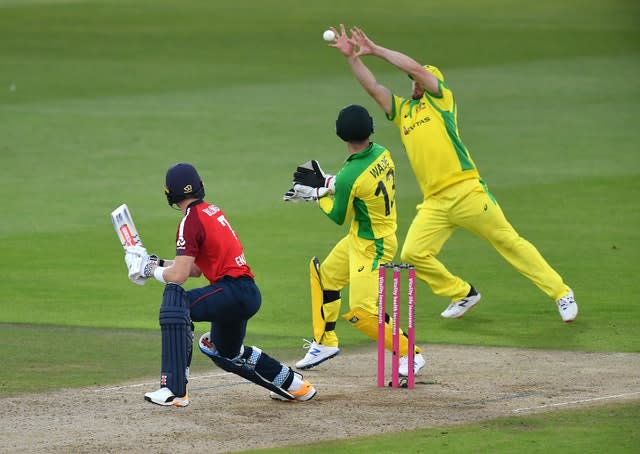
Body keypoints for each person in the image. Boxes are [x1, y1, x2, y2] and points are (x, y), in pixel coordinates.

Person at [326, 25, 578, 323]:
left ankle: (561, 293)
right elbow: (374, 88)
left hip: (467, 191)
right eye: (412, 81)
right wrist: (352, 58)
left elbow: (416, 69)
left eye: (418, 80)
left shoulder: (442, 102)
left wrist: (377, 49)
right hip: (434, 202)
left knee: (510, 243)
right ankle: (462, 292)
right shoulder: (403, 112)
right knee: (413, 253)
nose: (414, 84)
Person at [124, 162, 317, 407]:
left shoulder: (189, 221)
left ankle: (173, 390)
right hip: (244, 293)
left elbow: (179, 276)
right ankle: (296, 385)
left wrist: (148, 270)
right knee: (224, 351)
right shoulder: (210, 211)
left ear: (169, 193)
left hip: (232, 290)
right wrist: (155, 262)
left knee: (176, 301)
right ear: (200, 186)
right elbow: (194, 268)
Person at [284, 104, 426, 376]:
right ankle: (325, 342)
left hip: (374, 245)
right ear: (370, 128)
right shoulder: (383, 153)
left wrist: (316, 196)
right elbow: (357, 185)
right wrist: (327, 182)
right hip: (363, 237)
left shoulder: (351, 175)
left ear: (341, 134)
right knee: (325, 278)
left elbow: (339, 215)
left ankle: (410, 354)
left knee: (362, 310)